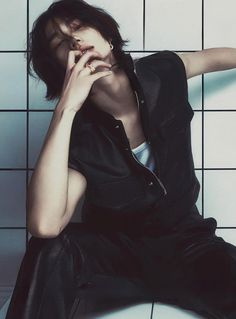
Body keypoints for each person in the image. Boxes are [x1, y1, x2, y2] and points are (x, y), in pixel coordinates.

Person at [5, 0, 236, 318]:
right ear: (59, 69)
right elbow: (45, 224)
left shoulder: (163, 73)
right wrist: (67, 108)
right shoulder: (77, 134)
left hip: (187, 246)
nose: (72, 39)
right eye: (58, 41)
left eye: (77, 26)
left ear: (108, 37)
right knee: (50, 248)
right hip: (116, 259)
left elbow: (212, 58)